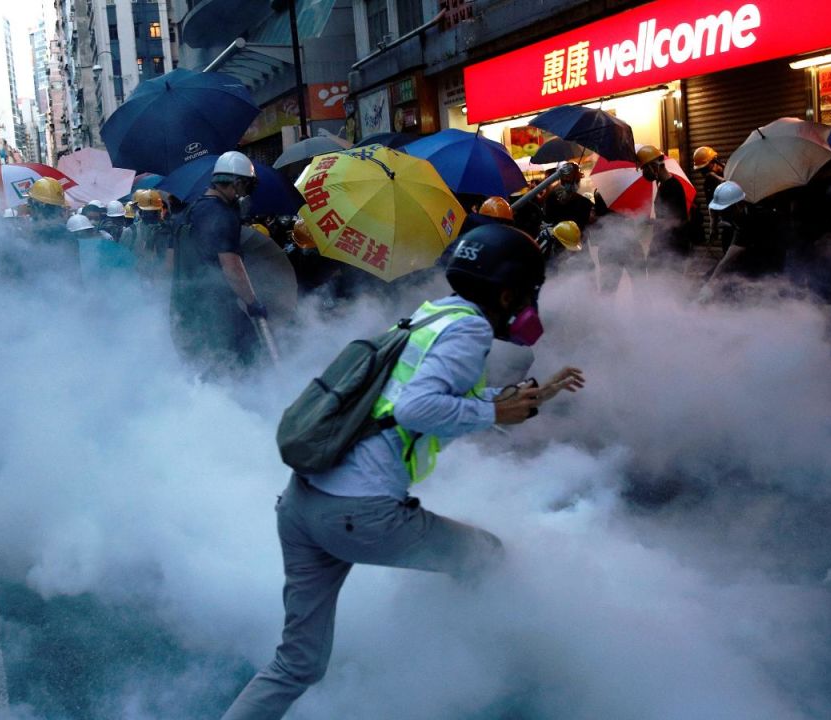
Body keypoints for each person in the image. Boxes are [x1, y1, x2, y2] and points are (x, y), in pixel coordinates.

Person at [220, 223, 585, 720]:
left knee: (297, 664)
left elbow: (419, 401)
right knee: (485, 556)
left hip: (303, 506)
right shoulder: (472, 328)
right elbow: (417, 408)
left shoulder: (432, 315)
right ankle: (491, 670)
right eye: (526, 293)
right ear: (506, 292)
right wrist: (495, 413)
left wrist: (526, 398)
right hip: (359, 514)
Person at [170, 151, 266, 373]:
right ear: (237, 183)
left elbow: (169, 264)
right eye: (246, 187)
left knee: (203, 369)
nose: (246, 194)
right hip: (215, 310)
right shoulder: (221, 214)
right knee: (246, 360)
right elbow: (231, 266)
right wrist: (253, 303)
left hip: (183, 308)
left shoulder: (186, 213)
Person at [637, 144, 691, 270]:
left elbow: (675, 221)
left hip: (673, 249)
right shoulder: (663, 185)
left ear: (654, 166)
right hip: (665, 247)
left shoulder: (672, 187)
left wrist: (648, 221)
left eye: (645, 168)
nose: (644, 172)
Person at [541, 161, 594, 230]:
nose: (573, 184)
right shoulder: (552, 198)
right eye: (566, 181)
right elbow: (548, 221)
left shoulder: (585, 202)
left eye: (576, 180)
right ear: (561, 180)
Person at [694, 146, 727, 246]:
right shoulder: (708, 182)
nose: (704, 174)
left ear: (714, 161)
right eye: (701, 171)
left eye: (705, 169)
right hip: (728, 225)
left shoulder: (729, 171)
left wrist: (716, 177)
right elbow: (712, 207)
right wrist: (713, 229)